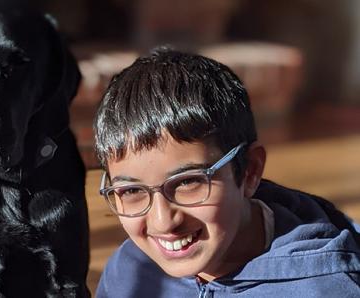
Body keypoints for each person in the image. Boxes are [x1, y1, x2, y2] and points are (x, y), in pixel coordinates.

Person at [93, 48, 360, 297]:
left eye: (188, 182)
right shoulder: (129, 272)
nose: (164, 223)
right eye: (131, 191)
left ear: (249, 171)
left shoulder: (325, 287)